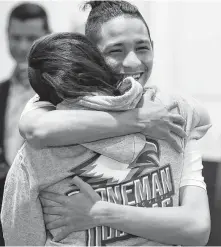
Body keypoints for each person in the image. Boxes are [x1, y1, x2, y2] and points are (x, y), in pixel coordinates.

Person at [17, 1, 211, 246]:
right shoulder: (56, 108)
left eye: (142, 48)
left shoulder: (173, 114)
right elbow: (34, 128)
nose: (133, 62)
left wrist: (100, 212)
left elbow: (197, 229)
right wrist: (137, 120)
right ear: (92, 58)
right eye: (115, 51)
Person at [0, 2, 50, 245]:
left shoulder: (61, 93)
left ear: (46, 38)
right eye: (15, 37)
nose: (21, 47)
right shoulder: (0, 92)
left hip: (50, 215)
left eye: (31, 38)